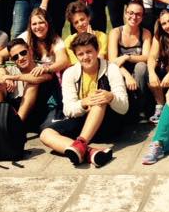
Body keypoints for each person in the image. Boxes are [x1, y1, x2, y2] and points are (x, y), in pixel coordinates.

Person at [40, 32, 128, 166]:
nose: (85, 57)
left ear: (97, 50)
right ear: (76, 56)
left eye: (89, 52)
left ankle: (80, 144)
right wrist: (84, 102)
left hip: (109, 124)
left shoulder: (112, 69)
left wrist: (111, 97)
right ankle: (90, 152)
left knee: (99, 99)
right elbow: (68, 110)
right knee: (46, 134)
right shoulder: (70, 73)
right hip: (82, 120)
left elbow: (124, 108)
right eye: (80, 54)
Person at [0, 37, 52, 130]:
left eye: (23, 53)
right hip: (14, 111)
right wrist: (1, 79)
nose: (20, 58)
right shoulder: (11, 67)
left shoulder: (42, 66)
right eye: (15, 57)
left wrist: (12, 77)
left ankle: (16, 127)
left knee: (32, 83)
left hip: (39, 115)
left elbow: (43, 77)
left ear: (30, 50)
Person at [108, 0, 153, 117]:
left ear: (142, 17)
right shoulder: (115, 32)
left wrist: (127, 57)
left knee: (141, 67)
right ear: (125, 13)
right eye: (131, 13)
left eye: (138, 14)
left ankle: (140, 108)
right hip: (121, 72)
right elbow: (112, 61)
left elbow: (147, 57)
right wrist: (127, 76)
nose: (134, 17)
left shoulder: (145, 33)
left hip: (139, 75)